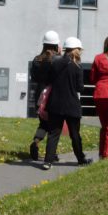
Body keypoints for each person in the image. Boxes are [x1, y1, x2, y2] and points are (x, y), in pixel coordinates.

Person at [42, 37, 92, 170]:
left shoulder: (55, 63)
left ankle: (47, 161)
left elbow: (48, 80)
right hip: (71, 105)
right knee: (75, 134)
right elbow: (80, 88)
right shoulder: (77, 66)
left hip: (55, 104)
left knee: (53, 134)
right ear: (77, 50)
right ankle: (81, 159)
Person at [28, 30, 61, 161]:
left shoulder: (37, 60)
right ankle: (51, 152)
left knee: (43, 124)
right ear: (56, 45)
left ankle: (36, 141)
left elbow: (34, 77)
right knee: (54, 127)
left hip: (40, 96)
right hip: (53, 95)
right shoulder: (56, 60)